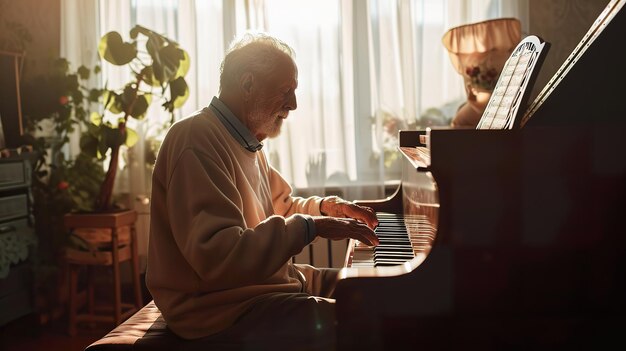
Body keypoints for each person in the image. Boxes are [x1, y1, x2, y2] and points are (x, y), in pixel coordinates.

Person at [145, 32, 380, 349]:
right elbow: (219, 256)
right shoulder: (196, 139)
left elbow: (279, 208)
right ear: (247, 85)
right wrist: (312, 227)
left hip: (261, 288)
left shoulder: (247, 141)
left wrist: (327, 209)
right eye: (286, 91)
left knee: (375, 292)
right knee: (367, 324)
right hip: (218, 310)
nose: (293, 105)